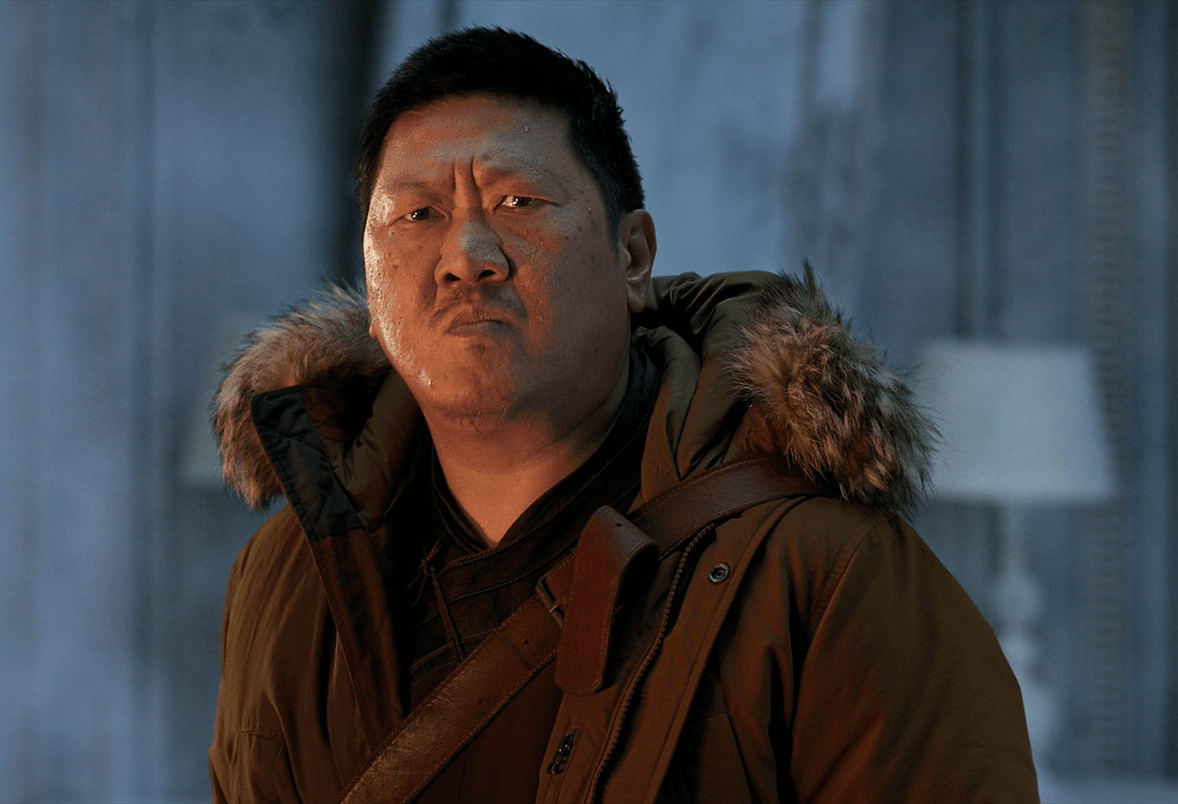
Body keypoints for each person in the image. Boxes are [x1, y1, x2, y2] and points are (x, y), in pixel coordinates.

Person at [209, 27, 1036, 804]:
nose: (466, 257)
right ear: (369, 275)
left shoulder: (827, 574)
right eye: (417, 215)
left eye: (518, 201)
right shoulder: (284, 579)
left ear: (632, 256)